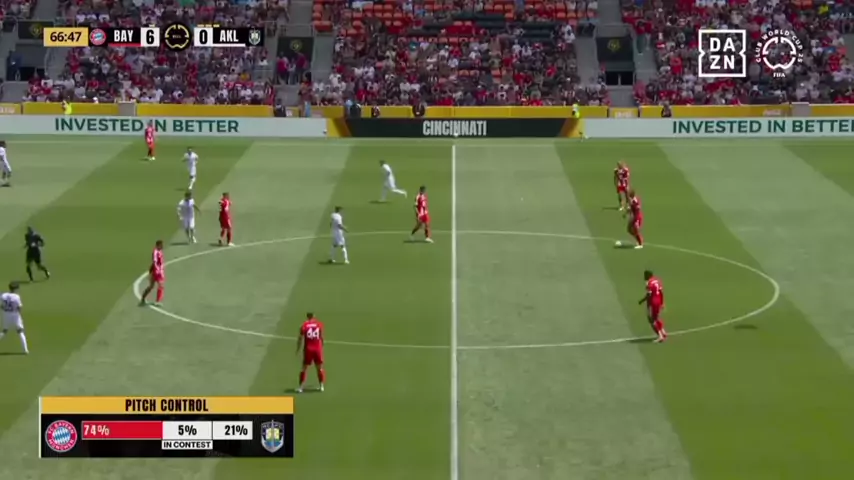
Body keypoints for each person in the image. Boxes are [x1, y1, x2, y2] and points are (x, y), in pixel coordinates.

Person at [296, 312, 325, 393]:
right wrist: (322, 346)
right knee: (319, 368)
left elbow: (300, 339)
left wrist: (298, 349)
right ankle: (321, 386)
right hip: (317, 349)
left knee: (304, 368)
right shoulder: (319, 324)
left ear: (307, 317)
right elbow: (321, 337)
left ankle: (301, 387)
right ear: (314, 316)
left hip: (308, 349)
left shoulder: (304, 325)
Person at [638, 270, 667, 342]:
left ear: (647, 276)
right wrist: (662, 302)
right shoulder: (657, 281)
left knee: (652, 320)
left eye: (645, 275)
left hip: (653, 302)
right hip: (659, 301)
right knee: (657, 318)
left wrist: (642, 300)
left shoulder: (649, 283)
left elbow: (649, 294)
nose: (644, 277)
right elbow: (661, 292)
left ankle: (660, 336)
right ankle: (663, 332)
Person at [0, 282, 28, 354]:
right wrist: (19, 314)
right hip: (15, 315)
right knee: (20, 331)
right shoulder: (16, 297)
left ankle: (25, 350)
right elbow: (19, 307)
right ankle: (25, 350)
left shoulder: (4, 295)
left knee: (4, 331)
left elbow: (2, 306)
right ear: (15, 289)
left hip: (6, 314)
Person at [139, 240, 165, 306]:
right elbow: (154, 262)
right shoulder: (155, 252)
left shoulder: (159, 251)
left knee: (152, 286)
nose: (162, 246)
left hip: (157, 271)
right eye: (161, 245)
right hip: (157, 272)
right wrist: (156, 271)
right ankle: (157, 301)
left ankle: (143, 298)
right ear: (158, 245)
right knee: (160, 286)